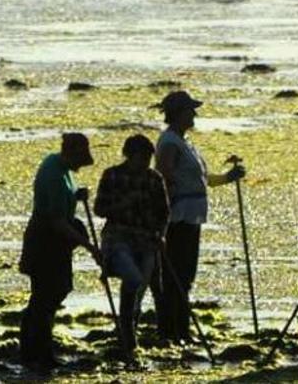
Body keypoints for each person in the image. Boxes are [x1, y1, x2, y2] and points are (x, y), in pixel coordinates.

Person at [152, 90, 245, 343]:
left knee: (186, 275)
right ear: (177, 114)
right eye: (189, 110)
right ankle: (172, 330)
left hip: (192, 217)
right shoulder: (169, 142)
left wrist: (228, 177)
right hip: (177, 218)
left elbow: (201, 180)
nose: (194, 114)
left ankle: (181, 329)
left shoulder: (185, 143)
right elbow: (162, 176)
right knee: (176, 276)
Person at [18, 132, 99, 372]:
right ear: (71, 152)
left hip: (57, 242)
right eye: (80, 159)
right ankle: (35, 353)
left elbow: (66, 198)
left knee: (55, 293)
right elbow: (57, 222)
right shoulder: (52, 172)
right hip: (45, 242)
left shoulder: (63, 170)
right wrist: (89, 245)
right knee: (45, 297)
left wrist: (77, 195)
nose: (81, 166)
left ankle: (40, 350)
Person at [94, 134, 169, 360]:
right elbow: (99, 209)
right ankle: (127, 335)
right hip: (118, 237)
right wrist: (124, 204)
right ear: (129, 155)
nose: (145, 162)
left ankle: (128, 337)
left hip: (146, 240)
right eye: (141, 157)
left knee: (139, 291)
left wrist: (161, 235)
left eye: (148, 158)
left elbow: (164, 213)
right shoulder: (112, 175)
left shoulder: (154, 179)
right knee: (133, 279)